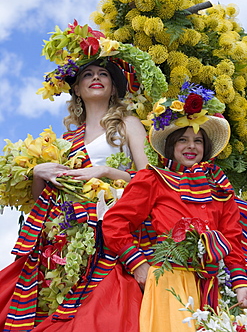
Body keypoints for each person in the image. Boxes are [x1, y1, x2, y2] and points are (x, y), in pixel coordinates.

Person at [0, 27, 151, 331]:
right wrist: (38, 173)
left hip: (110, 232)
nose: (96, 77)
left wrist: (106, 172)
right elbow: (41, 201)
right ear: (77, 90)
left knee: (101, 313)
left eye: (103, 74)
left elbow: (150, 179)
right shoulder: (67, 139)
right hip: (61, 239)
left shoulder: (128, 123)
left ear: (113, 87)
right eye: (87, 75)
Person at [103, 84, 247, 332]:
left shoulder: (220, 190)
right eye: (183, 139)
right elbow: (115, 223)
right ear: (171, 145)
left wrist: (241, 286)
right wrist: (139, 266)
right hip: (167, 280)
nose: (191, 146)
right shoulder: (153, 179)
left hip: (210, 286)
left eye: (198, 141)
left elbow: (232, 240)